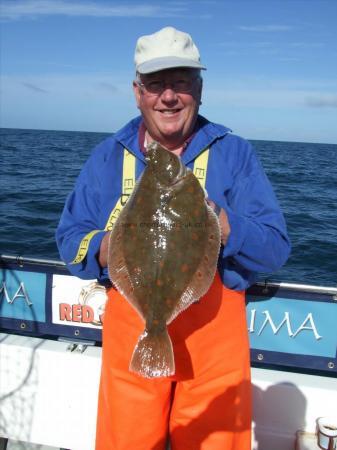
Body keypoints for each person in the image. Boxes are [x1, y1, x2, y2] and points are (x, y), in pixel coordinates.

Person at [56, 26, 290, 450]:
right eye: (155, 84)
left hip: (214, 341)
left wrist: (220, 223)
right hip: (135, 328)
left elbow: (275, 247)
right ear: (137, 91)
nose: (168, 96)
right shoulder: (107, 155)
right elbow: (69, 239)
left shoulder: (235, 154)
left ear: (199, 89)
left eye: (180, 82)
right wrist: (113, 248)